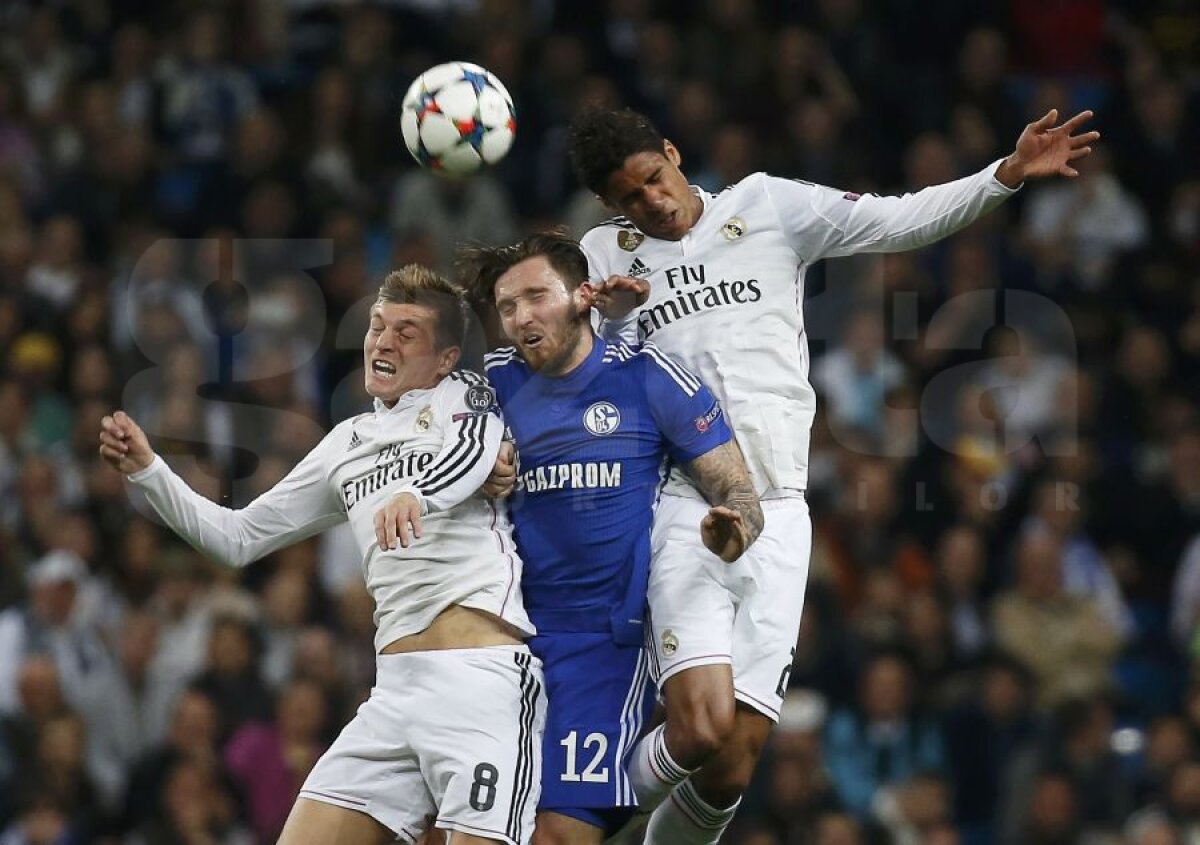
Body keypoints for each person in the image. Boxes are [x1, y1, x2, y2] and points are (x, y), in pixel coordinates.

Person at [532, 104, 1099, 844]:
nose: (653, 202)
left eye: (655, 178)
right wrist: (608, 323)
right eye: (631, 196)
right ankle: (555, 823)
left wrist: (1005, 175)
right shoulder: (607, 252)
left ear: (673, 153)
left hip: (781, 511)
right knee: (698, 726)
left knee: (732, 763)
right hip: (681, 504)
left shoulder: (766, 205)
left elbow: (898, 221)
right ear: (611, 206)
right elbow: (576, 380)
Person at [99, 265, 545, 845]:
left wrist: (418, 494)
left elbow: (476, 452)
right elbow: (236, 540)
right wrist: (149, 471)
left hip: (480, 681)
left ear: (444, 358)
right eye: (378, 326)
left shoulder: (463, 394)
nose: (383, 341)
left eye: (407, 332)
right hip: (393, 691)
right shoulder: (344, 445)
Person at [459, 231, 763, 845]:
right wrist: (473, 464)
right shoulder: (489, 386)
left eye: (535, 297)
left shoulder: (649, 378)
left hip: (601, 646)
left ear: (582, 297)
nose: (520, 318)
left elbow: (740, 493)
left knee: (559, 835)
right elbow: (431, 454)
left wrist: (732, 530)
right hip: (498, 638)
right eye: (507, 306)